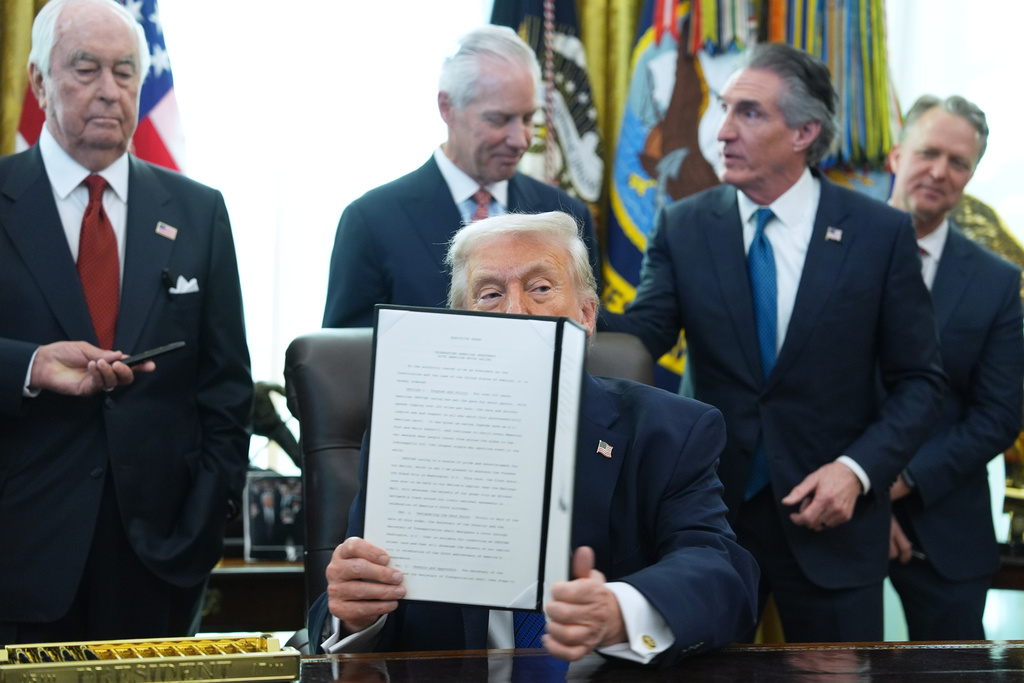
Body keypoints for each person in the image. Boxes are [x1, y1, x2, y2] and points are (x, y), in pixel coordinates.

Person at [602, 42, 947, 642]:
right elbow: (642, 336)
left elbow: (920, 382)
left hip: (832, 524)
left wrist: (857, 471)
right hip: (710, 524)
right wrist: (561, 312)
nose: (722, 131)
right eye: (723, 108)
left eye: (748, 113)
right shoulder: (684, 223)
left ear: (804, 132)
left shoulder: (878, 233)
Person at [308, 211, 759, 667]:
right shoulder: (408, 439)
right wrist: (355, 617)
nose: (516, 311)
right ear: (462, 324)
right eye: (490, 295)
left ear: (586, 316)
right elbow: (349, 602)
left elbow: (720, 573)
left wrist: (620, 610)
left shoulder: (671, 432)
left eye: (541, 288)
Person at [0, 0, 252, 645]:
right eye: (85, 69)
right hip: (19, 552)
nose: (109, 91)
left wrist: (205, 522)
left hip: (162, 558)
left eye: (125, 71)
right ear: (38, 81)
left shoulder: (199, 212)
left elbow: (226, 386)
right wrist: (28, 366)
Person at [322, 25, 599, 329]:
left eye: (527, 118)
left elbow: (588, 332)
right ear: (447, 108)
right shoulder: (372, 220)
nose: (520, 139)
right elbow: (344, 358)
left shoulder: (563, 215)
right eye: (499, 119)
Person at [886, 95, 1024, 640]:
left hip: (943, 518)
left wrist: (899, 483)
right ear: (898, 155)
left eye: (959, 162)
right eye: (928, 152)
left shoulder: (995, 280)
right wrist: (861, 488)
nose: (940, 172)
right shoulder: (831, 244)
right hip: (825, 513)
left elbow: (998, 413)